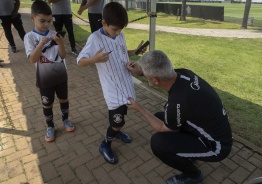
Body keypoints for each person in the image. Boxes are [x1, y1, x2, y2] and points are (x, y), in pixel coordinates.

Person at [126, 50, 233, 184]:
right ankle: (188, 152)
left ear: (155, 80)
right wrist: (141, 72)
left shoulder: (178, 103)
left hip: (217, 146)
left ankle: (194, 175)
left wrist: (139, 108)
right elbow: (160, 77)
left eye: (147, 77)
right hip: (215, 129)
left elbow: (161, 128)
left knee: (158, 143)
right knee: (160, 116)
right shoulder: (184, 73)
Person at [77, 2, 147, 164]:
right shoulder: (95, 38)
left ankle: (116, 132)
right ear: (103, 23)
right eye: (115, 29)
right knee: (117, 120)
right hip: (112, 89)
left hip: (126, 83)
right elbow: (80, 61)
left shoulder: (119, 35)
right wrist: (94, 59)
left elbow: (122, 52)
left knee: (122, 114)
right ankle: (105, 144)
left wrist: (134, 52)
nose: (118, 33)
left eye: (120, 29)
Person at [24, 0, 74, 142]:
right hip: (44, 78)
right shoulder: (30, 37)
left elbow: (63, 55)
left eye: (49, 21)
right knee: (47, 103)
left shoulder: (54, 33)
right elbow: (33, 59)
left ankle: (65, 119)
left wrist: (61, 43)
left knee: (63, 99)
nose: (46, 24)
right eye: (42, 21)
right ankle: (50, 126)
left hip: (60, 74)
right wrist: (40, 44)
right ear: (32, 18)